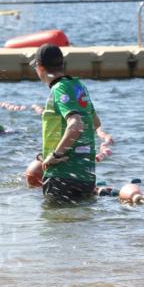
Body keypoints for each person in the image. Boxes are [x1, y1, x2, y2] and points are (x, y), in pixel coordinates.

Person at [32, 44, 102, 202]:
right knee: (80, 223)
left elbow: (76, 125)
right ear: (61, 65)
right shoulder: (79, 86)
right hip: (86, 176)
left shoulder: (58, 89)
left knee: (56, 224)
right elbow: (95, 123)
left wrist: (56, 154)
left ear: (40, 68)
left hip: (62, 175)